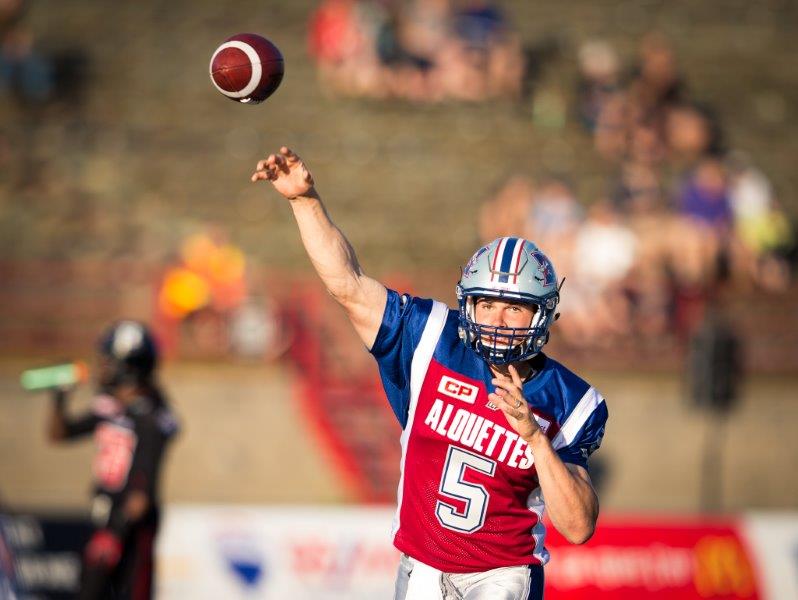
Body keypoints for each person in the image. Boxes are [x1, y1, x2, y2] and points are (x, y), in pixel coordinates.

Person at [252, 147, 608, 600]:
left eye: (513, 308)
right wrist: (305, 201)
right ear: (468, 302)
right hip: (420, 569)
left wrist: (534, 437)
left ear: (541, 315)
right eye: (485, 303)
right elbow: (349, 286)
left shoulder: (569, 399)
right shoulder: (433, 337)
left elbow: (578, 527)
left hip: (503, 577)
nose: (497, 318)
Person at [46, 320, 178, 600]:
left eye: (110, 361)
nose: (103, 367)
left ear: (130, 366)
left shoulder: (150, 417)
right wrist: (58, 399)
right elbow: (59, 435)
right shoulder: (111, 406)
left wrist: (115, 533)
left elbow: (140, 495)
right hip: (105, 518)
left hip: (128, 524)